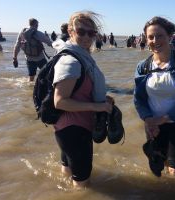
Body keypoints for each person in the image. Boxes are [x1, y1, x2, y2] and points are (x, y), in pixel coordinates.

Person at [52, 11, 115, 189]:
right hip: (74, 131)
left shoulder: (81, 56)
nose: (87, 37)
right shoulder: (71, 61)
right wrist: (97, 106)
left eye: (91, 33)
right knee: (83, 185)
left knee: (67, 171)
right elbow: (60, 101)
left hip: (66, 128)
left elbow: (78, 90)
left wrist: (101, 99)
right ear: (71, 32)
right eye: (81, 32)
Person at [134, 16, 175, 177]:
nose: (154, 40)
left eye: (160, 36)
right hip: (154, 126)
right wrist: (148, 119)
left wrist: (163, 118)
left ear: (170, 37)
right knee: (160, 167)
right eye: (150, 37)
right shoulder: (143, 66)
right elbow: (139, 99)